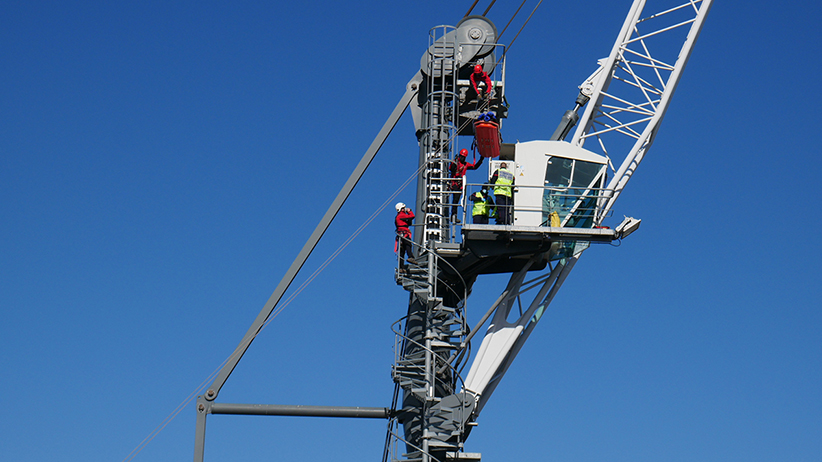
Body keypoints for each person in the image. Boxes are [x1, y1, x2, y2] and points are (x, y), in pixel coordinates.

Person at [449, 148, 484, 222]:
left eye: (463, 157)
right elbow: (451, 169)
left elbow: (474, 167)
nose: (462, 158)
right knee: (455, 200)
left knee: (457, 200)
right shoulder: (455, 162)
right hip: (454, 183)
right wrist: (455, 162)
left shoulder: (466, 164)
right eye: (461, 156)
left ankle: (454, 215)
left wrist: (481, 160)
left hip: (460, 185)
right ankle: (453, 215)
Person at [394, 202, 415, 270]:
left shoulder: (399, 217)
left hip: (401, 234)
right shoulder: (401, 215)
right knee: (408, 245)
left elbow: (408, 222)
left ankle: (401, 267)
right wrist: (410, 211)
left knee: (402, 251)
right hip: (404, 234)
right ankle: (410, 257)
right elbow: (412, 216)